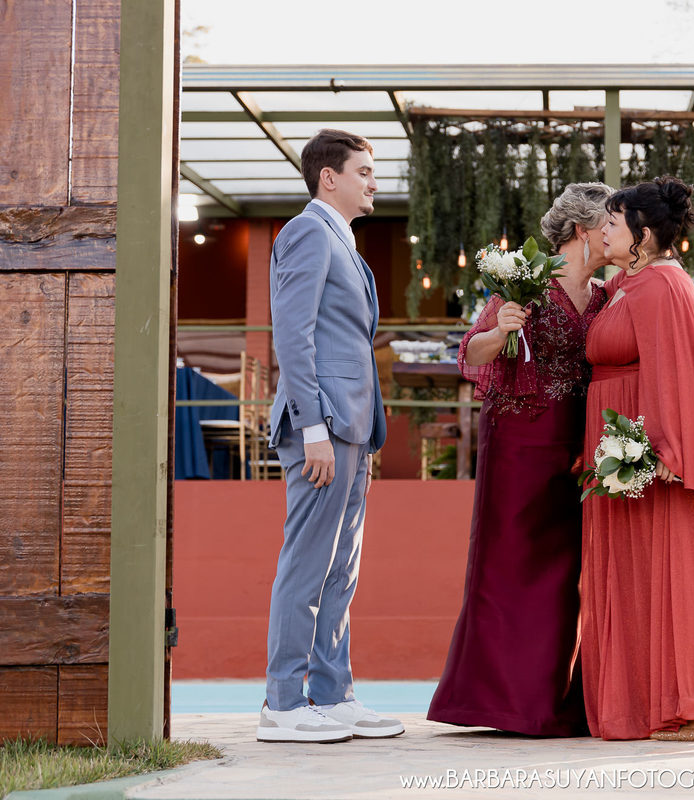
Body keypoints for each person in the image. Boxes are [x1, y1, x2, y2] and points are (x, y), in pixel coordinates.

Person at [580, 176, 694, 742]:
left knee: (679, 568)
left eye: (613, 223)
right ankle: (654, 701)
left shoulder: (661, 284)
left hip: (649, 452)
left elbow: (675, 369)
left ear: (641, 235)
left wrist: (667, 448)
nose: (603, 231)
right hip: (622, 441)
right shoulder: (630, 282)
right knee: (639, 575)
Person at [426, 183, 613, 737]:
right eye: (606, 224)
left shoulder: (606, 295)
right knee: (509, 564)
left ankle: (550, 701)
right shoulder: (527, 283)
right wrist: (501, 327)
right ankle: (500, 702)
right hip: (518, 438)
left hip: (578, 444)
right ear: (581, 231)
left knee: (566, 571)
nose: (614, 234)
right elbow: (470, 352)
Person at [257, 129, 404, 743]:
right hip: (322, 428)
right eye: (363, 171)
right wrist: (313, 426)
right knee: (308, 564)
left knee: (340, 568)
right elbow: (292, 335)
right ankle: (283, 704)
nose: (374, 182)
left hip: (353, 428)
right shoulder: (307, 232)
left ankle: (331, 692)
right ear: (329, 177)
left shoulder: (342, 239)